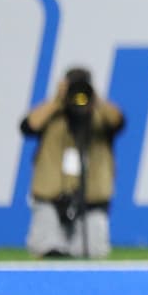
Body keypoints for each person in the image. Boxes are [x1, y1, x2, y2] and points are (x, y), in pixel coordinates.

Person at [21, 68, 125, 258]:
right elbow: (29, 126)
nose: (78, 96)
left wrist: (95, 98)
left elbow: (119, 121)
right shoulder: (52, 114)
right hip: (51, 200)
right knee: (47, 249)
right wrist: (56, 100)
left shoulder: (100, 117)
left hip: (91, 202)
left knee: (93, 251)